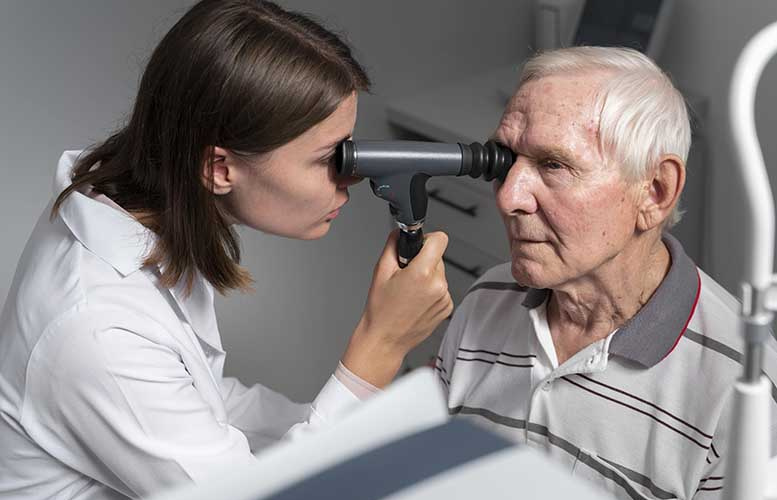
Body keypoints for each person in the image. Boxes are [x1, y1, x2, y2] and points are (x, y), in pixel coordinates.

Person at [0, 1, 454, 498]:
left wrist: (376, 415)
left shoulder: (126, 206)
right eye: (329, 157)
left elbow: (201, 400)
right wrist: (380, 346)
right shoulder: (98, 329)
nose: (352, 175)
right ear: (218, 168)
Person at [435, 46, 777, 500]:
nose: (508, 197)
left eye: (553, 165)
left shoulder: (741, 385)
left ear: (655, 192)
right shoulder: (486, 298)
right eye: (506, 159)